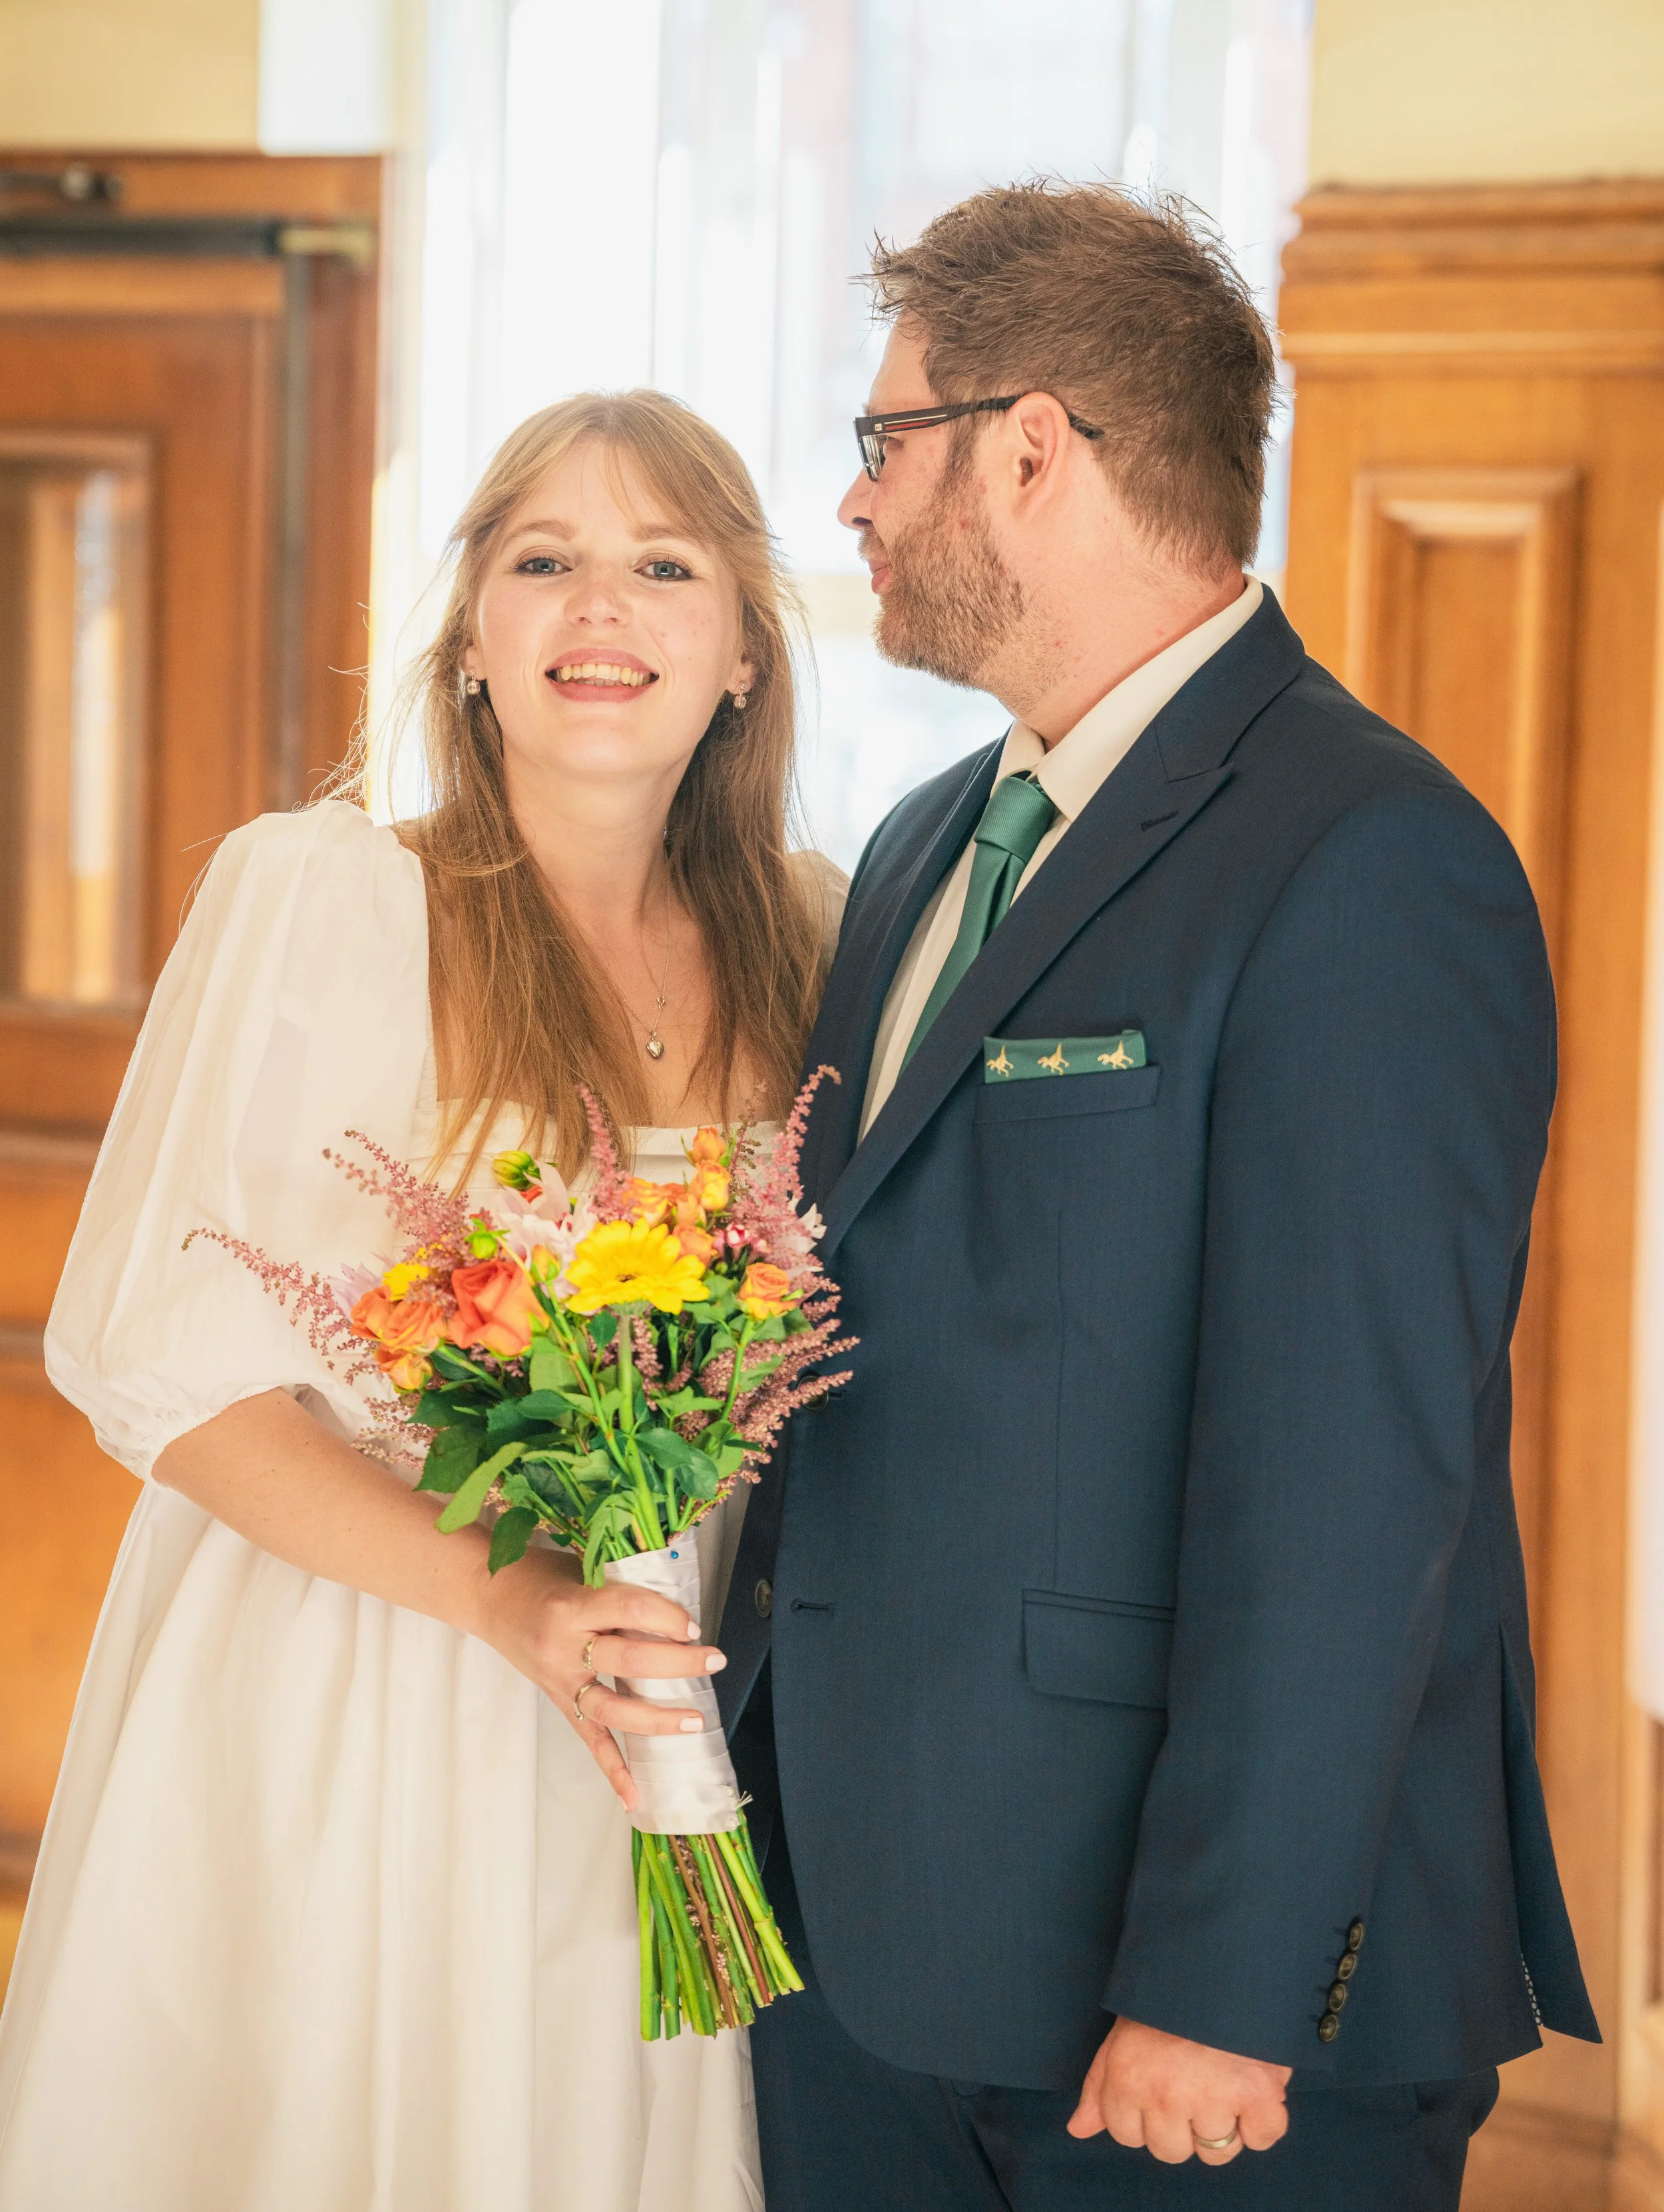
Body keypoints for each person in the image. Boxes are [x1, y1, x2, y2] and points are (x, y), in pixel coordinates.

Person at [719, 181, 1599, 2211]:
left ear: (1031, 448)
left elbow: (1352, 1478)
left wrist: (1224, 1981)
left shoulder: (1367, 857)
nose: (849, 506)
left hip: (1183, 2012)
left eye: (883, 441)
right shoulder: (929, 839)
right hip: (856, 1946)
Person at [0, 392, 840, 2212]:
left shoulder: (815, 932)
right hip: (356, 1668)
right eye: (540, 560)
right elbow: (160, 1364)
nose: (594, 605)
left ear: (748, 650)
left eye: (660, 563)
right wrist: (506, 1596)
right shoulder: (321, 895)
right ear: (471, 639)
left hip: (651, 1672)